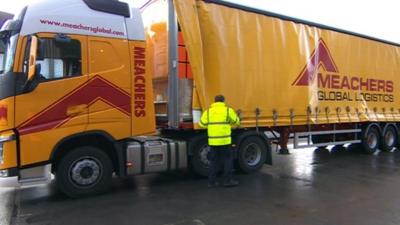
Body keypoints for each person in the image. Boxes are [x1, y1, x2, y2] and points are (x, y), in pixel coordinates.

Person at [199, 94, 240, 187]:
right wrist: (236, 118)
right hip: (225, 141)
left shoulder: (208, 112)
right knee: (227, 160)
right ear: (223, 101)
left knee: (214, 161)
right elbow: (236, 122)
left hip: (213, 142)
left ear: (215, 101)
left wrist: (210, 126)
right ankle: (228, 181)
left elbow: (202, 124)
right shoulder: (227, 110)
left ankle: (211, 182)